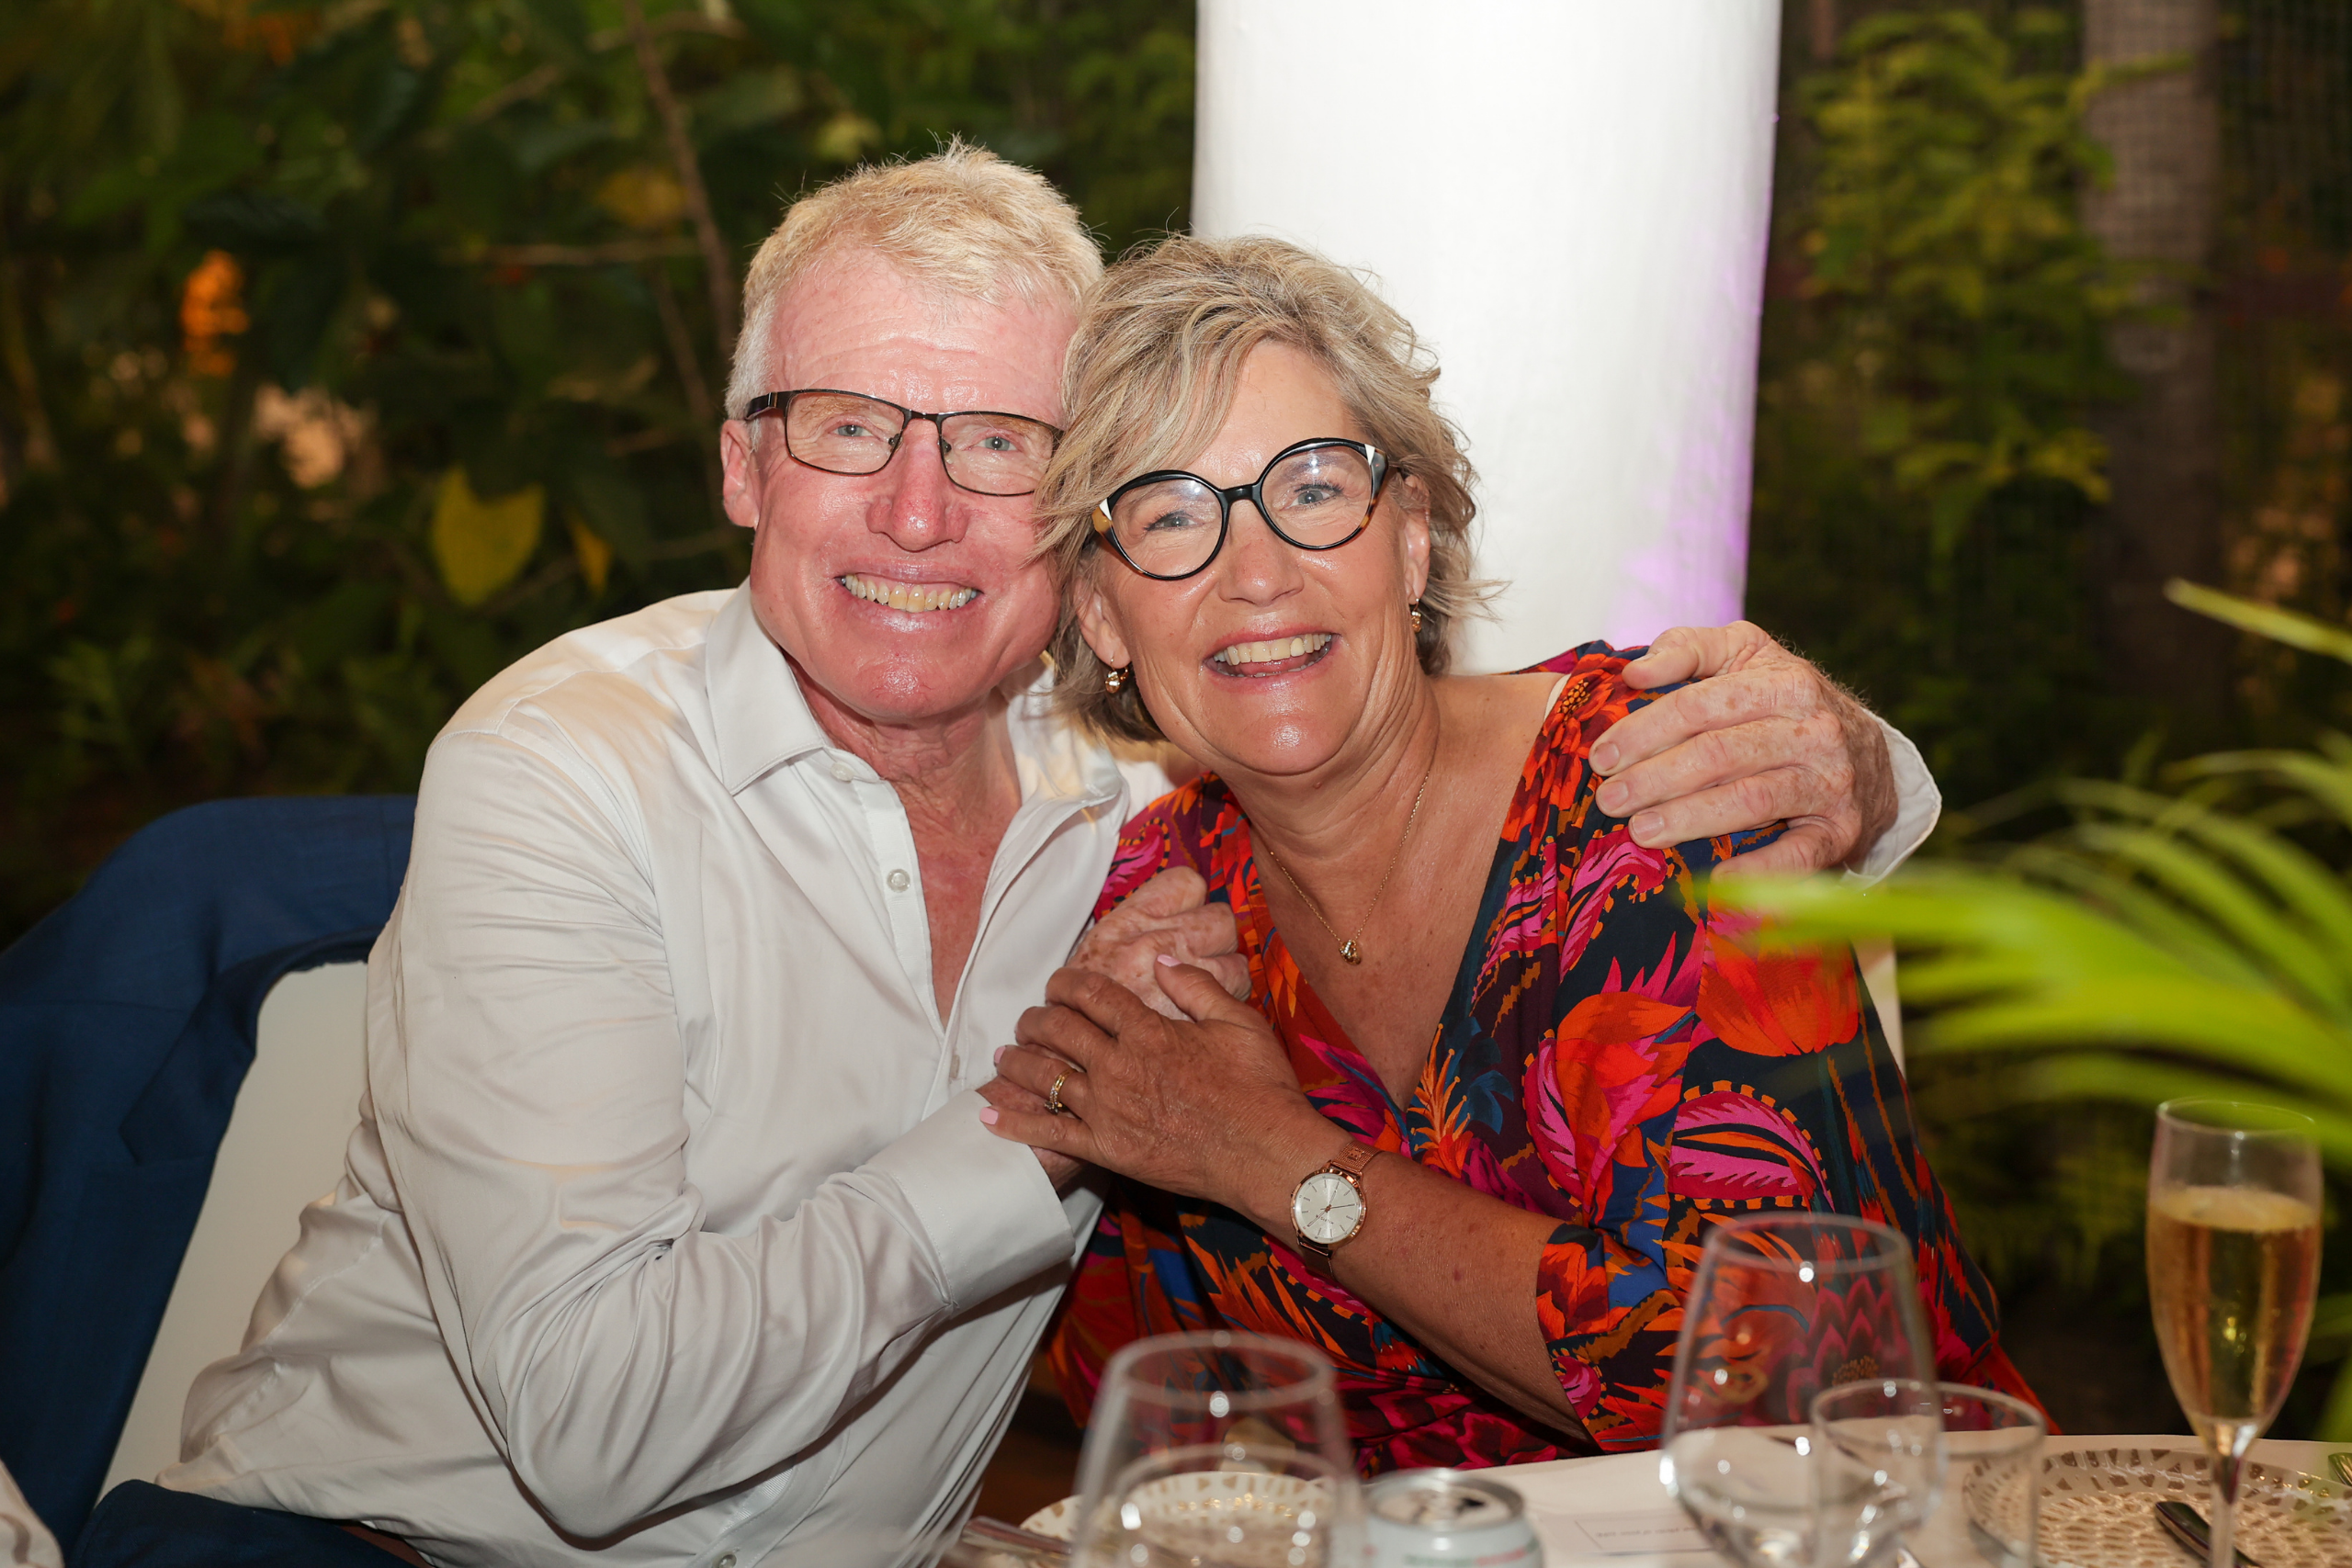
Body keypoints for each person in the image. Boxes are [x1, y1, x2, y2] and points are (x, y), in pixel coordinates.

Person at [88, 152, 1930, 1567]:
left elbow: (1433, 774)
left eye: (993, 444)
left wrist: (1853, 762)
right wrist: (1049, 1121)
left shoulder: (1142, 812)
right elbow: (590, 1434)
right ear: (744, 467)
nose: (913, 509)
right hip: (374, 1543)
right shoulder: (563, 770)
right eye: (846, 429)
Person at [984, 234, 2038, 1472]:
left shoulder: (1656, 789)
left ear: (1411, 540)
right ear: (1103, 612)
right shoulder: (1156, 903)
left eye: (1313, 488)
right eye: (1171, 516)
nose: (1255, 572)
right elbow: (1138, 1401)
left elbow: (1778, 1385)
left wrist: (1259, 1149)